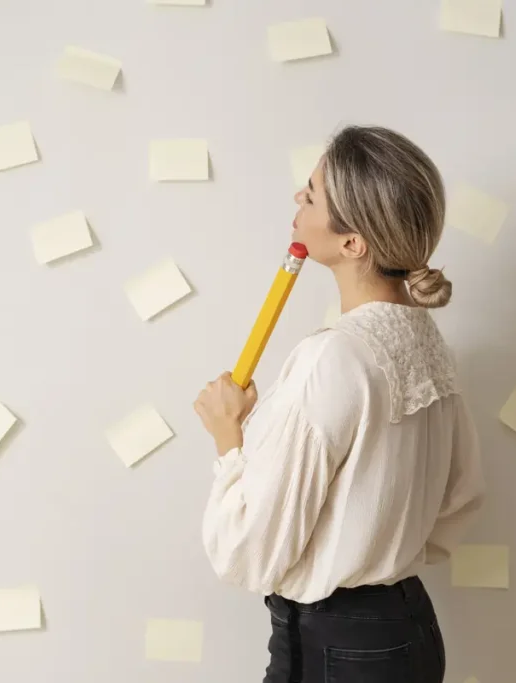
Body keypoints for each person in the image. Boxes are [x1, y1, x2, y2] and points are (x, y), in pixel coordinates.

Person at [193, 125, 486, 683]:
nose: (297, 200)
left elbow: (250, 553)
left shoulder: (332, 357)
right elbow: (463, 499)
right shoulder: (429, 343)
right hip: (408, 630)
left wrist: (229, 436)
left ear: (354, 243)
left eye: (312, 194)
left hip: (338, 649)